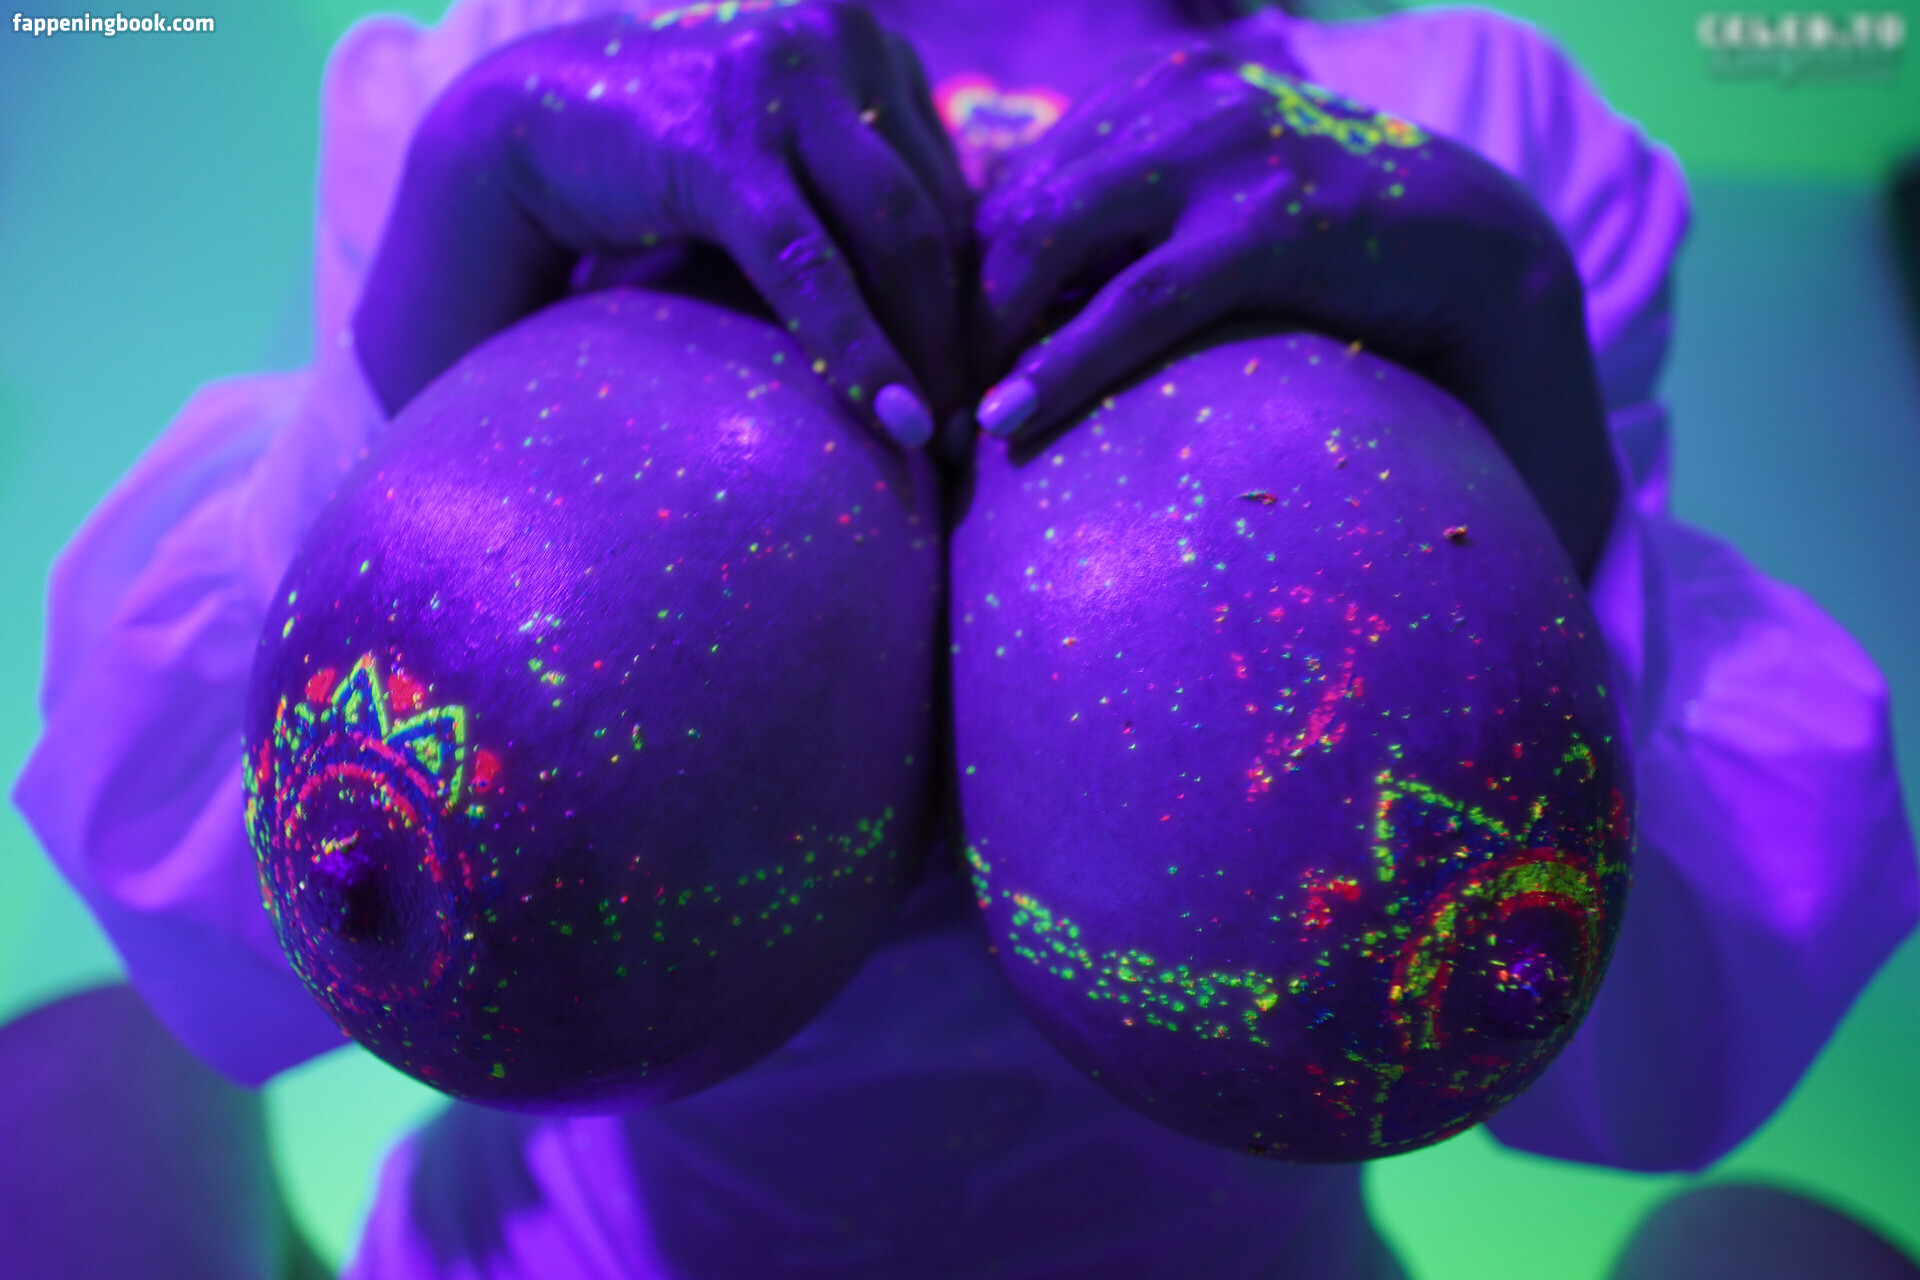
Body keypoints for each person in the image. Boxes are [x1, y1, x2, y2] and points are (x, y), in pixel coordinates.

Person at [13, 0, 1915, 1275]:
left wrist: (1531, 366)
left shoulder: (1466, 120)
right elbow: (241, 936)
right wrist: (454, 218)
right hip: (570, 1247)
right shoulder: (556, 56)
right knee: (68, 1092)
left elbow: (1615, 1051)